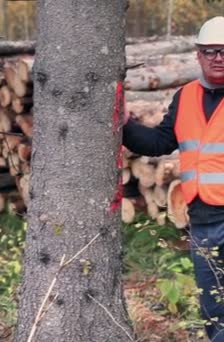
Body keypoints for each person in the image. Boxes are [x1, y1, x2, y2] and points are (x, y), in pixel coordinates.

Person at [122, 16, 224, 341]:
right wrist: (125, 124)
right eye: (210, 51)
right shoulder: (185, 97)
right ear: (198, 55)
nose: (218, 57)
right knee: (213, 309)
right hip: (203, 222)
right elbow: (159, 143)